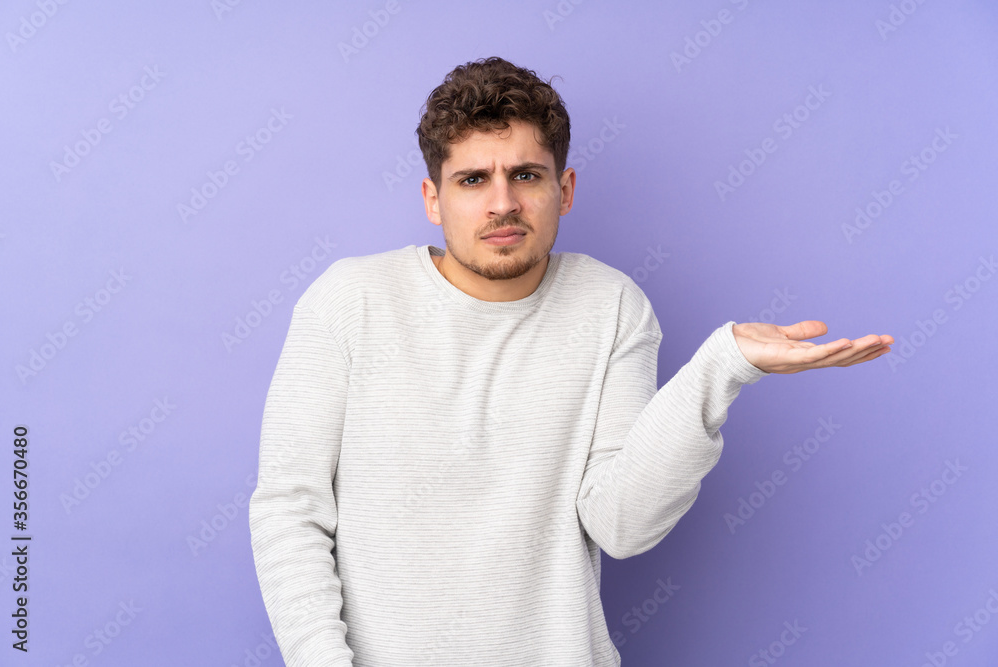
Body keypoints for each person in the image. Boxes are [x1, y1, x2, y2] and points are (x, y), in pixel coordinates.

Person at [248, 56, 893, 666]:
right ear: (433, 199)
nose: (503, 203)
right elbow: (289, 509)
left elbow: (621, 523)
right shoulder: (349, 301)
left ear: (566, 188)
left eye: (525, 175)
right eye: (473, 179)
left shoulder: (612, 306)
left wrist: (718, 370)